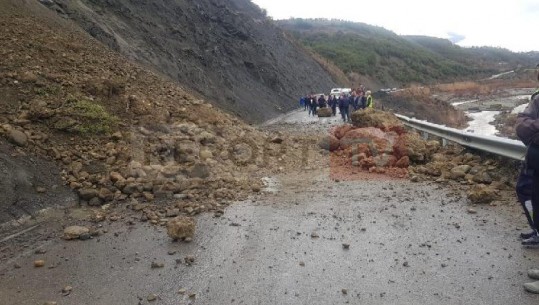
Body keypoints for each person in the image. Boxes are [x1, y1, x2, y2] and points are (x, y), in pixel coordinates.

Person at [515, 65, 539, 293]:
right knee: (529, 196)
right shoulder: (538, 99)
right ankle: (537, 230)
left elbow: (525, 125)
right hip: (535, 163)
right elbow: (521, 124)